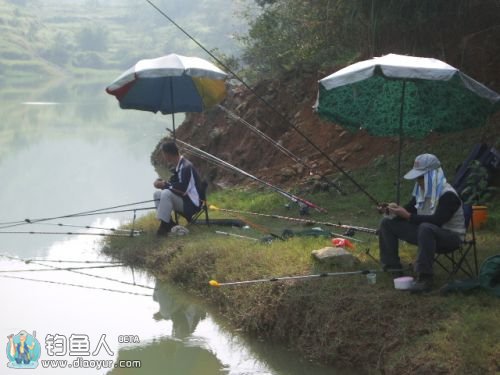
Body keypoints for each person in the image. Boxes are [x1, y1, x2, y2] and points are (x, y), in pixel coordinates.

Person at [377, 154, 465, 293]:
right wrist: (392, 210)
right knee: (387, 222)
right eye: (417, 178)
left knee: (426, 228)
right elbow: (409, 210)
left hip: (450, 238)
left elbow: (437, 221)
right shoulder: (421, 191)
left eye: (421, 177)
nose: (418, 181)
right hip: (426, 234)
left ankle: (425, 278)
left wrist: (408, 215)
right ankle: (392, 267)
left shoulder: (448, 194)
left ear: (433, 175)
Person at [153, 142, 203, 236]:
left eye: (164, 154)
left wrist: (164, 185)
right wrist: (163, 183)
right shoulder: (179, 166)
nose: (163, 157)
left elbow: (182, 189)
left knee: (166, 193)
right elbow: (175, 184)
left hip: (191, 205)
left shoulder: (186, 167)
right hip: (184, 200)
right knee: (157, 194)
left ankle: (164, 226)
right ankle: (169, 224)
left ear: (168, 154)